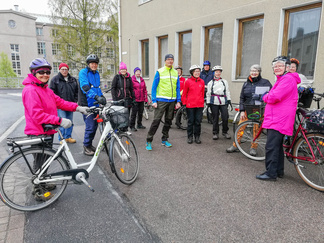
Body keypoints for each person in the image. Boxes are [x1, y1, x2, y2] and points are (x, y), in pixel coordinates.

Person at [22, 58, 89, 200]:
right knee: (40, 162)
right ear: (34, 73)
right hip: (37, 131)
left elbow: (60, 102)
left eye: (47, 72)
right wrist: (59, 120)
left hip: (47, 130)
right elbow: (37, 115)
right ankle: (38, 189)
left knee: (45, 159)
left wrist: (77, 107)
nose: (45, 74)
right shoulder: (31, 90)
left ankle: (44, 182)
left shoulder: (45, 89)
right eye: (41, 72)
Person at [256, 56, 301, 181]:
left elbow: (273, 97)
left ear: (287, 67)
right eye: (275, 66)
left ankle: (271, 173)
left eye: (280, 65)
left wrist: (264, 96)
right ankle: (279, 171)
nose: (277, 68)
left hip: (279, 118)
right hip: (278, 117)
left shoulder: (286, 79)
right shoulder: (283, 79)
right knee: (277, 146)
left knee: (271, 146)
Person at [226, 64, 272, 155]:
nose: (253, 73)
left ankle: (253, 147)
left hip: (259, 109)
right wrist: (242, 110)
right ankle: (235, 145)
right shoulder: (246, 83)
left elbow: (271, 95)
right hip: (247, 109)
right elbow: (242, 98)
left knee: (256, 129)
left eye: (256, 71)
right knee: (240, 128)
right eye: (252, 71)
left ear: (259, 72)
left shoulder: (266, 82)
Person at [145, 54, 181, 151]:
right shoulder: (160, 71)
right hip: (161, 101)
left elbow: (178, 88)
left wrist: (178, 100)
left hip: (172, 101)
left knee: (168, 121)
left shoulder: (175, 72)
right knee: (156, 121)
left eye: (172, 59)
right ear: (165, 61)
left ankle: (164, 139)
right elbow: (154, 87)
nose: (170, 61)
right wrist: (154, 100)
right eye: (168, 59)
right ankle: (149, 140)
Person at [79, 54, 107, 156]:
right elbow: (85, 87)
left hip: (95, 104)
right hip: (86, 103)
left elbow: (97, 87)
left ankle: (90, 144)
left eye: (95, 63)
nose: (94, 65)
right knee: (90, 126)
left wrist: (101, 96)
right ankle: (86, 146)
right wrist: (96, 97)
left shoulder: (97, 73)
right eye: (92, 63)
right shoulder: (83, 72)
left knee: (95, 126)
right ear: (88, 64)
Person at [49, 63, 78, 143]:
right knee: (62, 122)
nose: (64, 71)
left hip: (70, 105)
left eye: (66, 69)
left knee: (70, 122)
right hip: (60, 106)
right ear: (60, 70)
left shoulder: (73, 79)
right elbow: (51, 93)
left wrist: (75, 101)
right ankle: (62, 138)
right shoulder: (55, 79)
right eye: (63, 69)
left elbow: (76, 91)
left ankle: (68, 137)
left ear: (68, 70)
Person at [206, 65, 232, 140]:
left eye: (219, 72)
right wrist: (208, 103)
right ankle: (215, 132)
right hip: (214, 101)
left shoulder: (224, 82)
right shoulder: (211, 83)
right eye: (216, 72)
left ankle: (225, 131)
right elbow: (208, 93)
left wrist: (229, 100)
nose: (218, 73)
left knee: (225, 117)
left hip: (223, 101)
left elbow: (227, 91)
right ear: (214, 73)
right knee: (215, 118)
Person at [182, 65, 205, 144]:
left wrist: (202, 102)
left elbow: (202, 93)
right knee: (191, 121)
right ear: (192, 72)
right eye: (195, 71)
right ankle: (190, 137)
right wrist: (184, 103)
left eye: (198, 71)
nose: (197, 73)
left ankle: (197, 136)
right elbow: (184, 93)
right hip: (190, 105)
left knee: (198, 122)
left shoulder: (202, 81)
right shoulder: (188, 81)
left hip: (199, 105)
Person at [111, 62, 135, 131]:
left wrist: (133, 98)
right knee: (119, 114)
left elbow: (131, 89)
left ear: (126, 70)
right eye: (122, 69)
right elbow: (113, 88)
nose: (123, 71)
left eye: (124, 69)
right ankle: (119, 128)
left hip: (127, 99)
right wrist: (114, 98)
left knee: (127, 114)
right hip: (119, 99)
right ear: (120, 70)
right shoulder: (117, 77)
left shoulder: (129, 78)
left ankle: (126, 129)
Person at [130, 67, 148, 131]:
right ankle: (132, 126)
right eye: (137, 71)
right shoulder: (132, 80)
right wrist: (132, 98)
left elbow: (145, 90)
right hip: (135, 99)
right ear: (134, 73)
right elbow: (130, 90)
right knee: (134, 113)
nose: (138, 73)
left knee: (140, 112)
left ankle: (139, 124)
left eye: (139, 71)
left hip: (141, 99)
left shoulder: (142, 80)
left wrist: (146, 98)